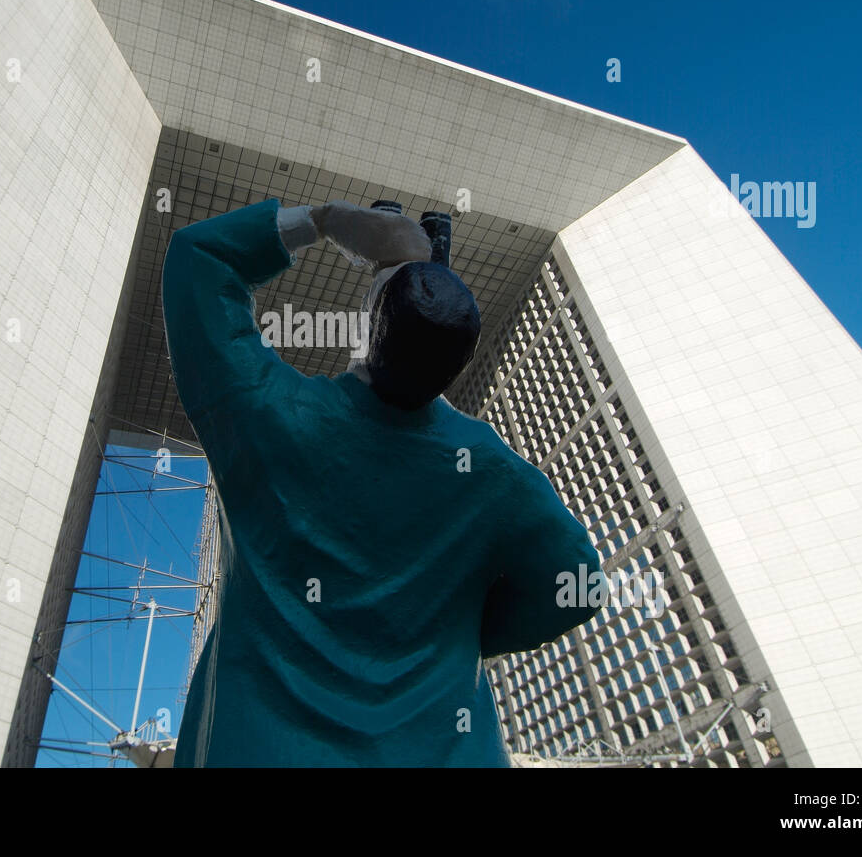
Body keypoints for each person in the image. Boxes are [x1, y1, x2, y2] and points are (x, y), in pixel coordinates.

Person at [162, 197, 603, 766]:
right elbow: (581, 585)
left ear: (371, 323)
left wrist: (322, 221)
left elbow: (199, 260)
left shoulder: (268, 415)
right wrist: (454, 636)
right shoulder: (490, 470)